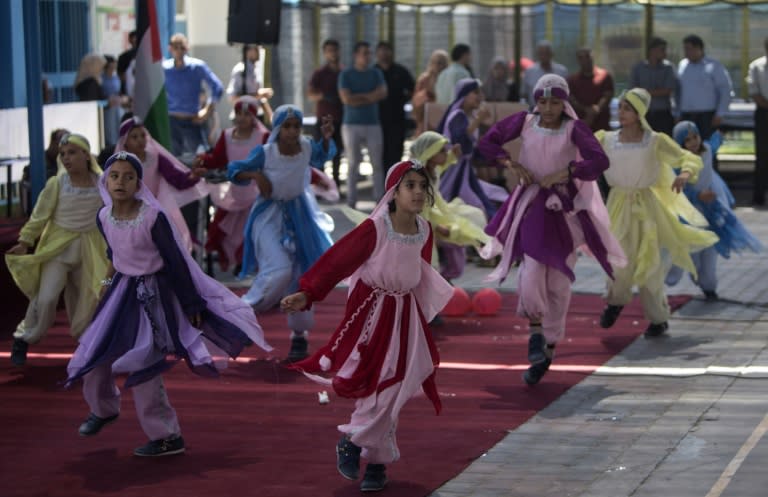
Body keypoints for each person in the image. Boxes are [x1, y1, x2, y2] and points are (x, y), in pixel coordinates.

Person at [65, 151, 271, 457]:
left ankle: (166, 436)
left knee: (145, 362)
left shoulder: (152, 216)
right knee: (95, 352)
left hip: (155, 294)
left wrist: (191, 306)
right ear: (105, 181)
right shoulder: (103, 217)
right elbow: (114, 256)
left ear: (138, 184)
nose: (120, 182)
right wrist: (105, 288)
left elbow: (176, 262)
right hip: (120, 292)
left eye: (129, 176)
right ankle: (104, 408)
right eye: (115, 176)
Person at [281, 159, 453, 493]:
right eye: (410, 186)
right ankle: (356, 444)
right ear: (393, 192)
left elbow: (421, 275)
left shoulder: (424, 230)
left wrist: (422, 322)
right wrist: (308, 291)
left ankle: (375, 462)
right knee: (380, 388)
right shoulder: (376, 228)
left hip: (404, 315)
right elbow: (339, 259)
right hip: (373, 315)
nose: (418, 192)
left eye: (422, 186)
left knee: (395, 386)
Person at [477, 74, 625, 386]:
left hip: (562, 210)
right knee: (531, 269)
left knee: (557, 283)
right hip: (531, 207)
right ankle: (535, 334)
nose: (547, 108)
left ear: (564, 102)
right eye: (542, 101)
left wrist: (567, 171)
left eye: (555, 102)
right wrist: (510, 163)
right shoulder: (525, 122)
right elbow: (487, 142)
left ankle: (549, 347)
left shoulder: (574, 129)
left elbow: (600, 160)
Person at [594, 88, 718, 338]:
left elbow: (688, 158)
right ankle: (616, 301)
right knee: (618, 259)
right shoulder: (605, 139)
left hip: (646, 207)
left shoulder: (654, 140)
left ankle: (658, 318)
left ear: (640, 112)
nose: (622, 112)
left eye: (628, 108)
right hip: (618, 205)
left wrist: (684, 173)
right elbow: (579, 153)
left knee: (650, 265)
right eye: (621, 107)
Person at [228, 105, 336, 362]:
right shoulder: (266, 152)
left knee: (301, 276)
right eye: (286, 126)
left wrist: (327, 137)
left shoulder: (307, 147)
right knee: (279, 270)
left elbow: (321, 156)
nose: (292, 131)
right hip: (268, 216)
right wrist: (256, 174)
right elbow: (234, 170)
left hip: (300, 216)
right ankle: (241, 315)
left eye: (296, 126)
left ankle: (299, 336)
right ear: (277, 128)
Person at [5, 133, 108, 366]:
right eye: (63, 154)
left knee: (90, 297)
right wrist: (25, 241)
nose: (67, 158)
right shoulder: (57, 184)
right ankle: (24, 338)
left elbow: (112, 214)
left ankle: (88, 347)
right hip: (58, 249)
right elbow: (40, 215)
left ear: (86, 154)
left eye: (72, 152)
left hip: (90, 249)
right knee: (47, 298)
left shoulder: (102, 183)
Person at [666, 121, 762, 299]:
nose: (694, 142)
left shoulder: (706, 150)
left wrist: (719, 135)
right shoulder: (678, 163)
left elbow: (713, 144)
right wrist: (697, 196)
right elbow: (678, 188)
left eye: (695, 137)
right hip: (689, 215)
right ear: (680, 144)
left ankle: (709, 285)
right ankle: (693, 274)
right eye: (687, 140)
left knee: (710, 249)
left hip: (711, 211)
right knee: (691, 251)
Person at [193, 96, 270, 272]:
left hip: (256, 194)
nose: (242, 118)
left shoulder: (263, 137)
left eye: (246, 114)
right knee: (223, 227)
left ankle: (246, 262)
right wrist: (202, 160)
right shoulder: (227, 136)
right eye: (239, 114)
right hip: (234, 192)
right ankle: (234, 260)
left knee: (252, 230)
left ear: (253, 116)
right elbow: (218, 160)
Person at [115, 116, 207, 253]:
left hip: (154, 213)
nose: (140, 140)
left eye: (142, 135)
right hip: (129, 215)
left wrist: (193, 176)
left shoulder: (154, 156)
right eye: (134, 137)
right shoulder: (120, 164)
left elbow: (175, 177)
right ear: (125, 143)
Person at [410, 131, 490, 281]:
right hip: (421, 225)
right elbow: (418, 212)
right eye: (441, 150)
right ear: (430, 153)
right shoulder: (419, 179)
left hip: (434, 217)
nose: (445, 153)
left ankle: (443, 281)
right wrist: (437, 227)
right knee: (427, 262)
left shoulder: (430, 170)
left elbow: (440, 167)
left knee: (471, 219)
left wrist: (452, 156)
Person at [436, 78, 507, 219]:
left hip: (465, 169)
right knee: (464, 201)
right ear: (464, 95)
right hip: (454, 170)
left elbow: (473, 148)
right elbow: (460, 143)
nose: (480, 96)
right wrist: (478, 121)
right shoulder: (457, 116)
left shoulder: (469, 116)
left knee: (481, 199)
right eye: (475, 92)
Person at [338, 41, 387, 208]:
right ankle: (352, 200)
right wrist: (369, 97)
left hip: (372, 123)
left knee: (376, 163)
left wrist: (358, 98)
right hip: (351, 124)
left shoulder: (376, 73)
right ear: (356, 55)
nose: (367, 56)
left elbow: (382, 94)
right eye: (364, 53)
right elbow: (347, 99)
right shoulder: (346, 74)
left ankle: (379, 199)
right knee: (353, 163)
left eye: (369, 53)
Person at [163, 33, 224, 159]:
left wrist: (207, 110)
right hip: (172, 120)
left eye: (182, 48)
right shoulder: (165, 69)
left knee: (200, 157)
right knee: (174, 159)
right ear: (170, 48)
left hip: (192, 120)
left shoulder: (197, 67)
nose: (179, 51)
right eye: (176, 47)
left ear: (187, 48)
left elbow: (217, 87)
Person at [676, 34, 733, 144]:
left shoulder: (714, 66)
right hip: (686, 114)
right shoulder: (682, 65)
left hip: (707, 115)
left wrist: (720, 113)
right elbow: (679, 92)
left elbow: (725, 90)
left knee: (707, 147)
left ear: (699, 48)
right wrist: (677, 113)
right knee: (686, 147)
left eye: (689, 49)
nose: (686, 52)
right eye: (685, 49)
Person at [308, 39, 344, 188]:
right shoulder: (320, 73)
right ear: (325, 53)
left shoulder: (344, 72)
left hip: (341, 119)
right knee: (321, 153)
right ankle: (321, 186)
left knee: (337, 154)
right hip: (323, 120)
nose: (333, 54)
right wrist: (323, 96)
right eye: (329, 51)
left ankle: (335, 185)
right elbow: (310, 93)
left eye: (334, 50)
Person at [375, 41, 415, 175]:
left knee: (396, 152)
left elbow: (412, 90)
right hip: (377, 120)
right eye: (381, 51)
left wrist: (403, 98)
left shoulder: (400, 71)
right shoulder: (373, 72)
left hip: (397, 118)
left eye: (387, 51)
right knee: (380, 153)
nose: (384, 54)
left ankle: (395, 181)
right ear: (377, 54)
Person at [629, 37, 678, 136]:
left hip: (663, 113)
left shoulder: (668, 68)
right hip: (643, 114)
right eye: (662, 49)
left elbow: (667, 90)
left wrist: (643, 93)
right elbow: (633, 91)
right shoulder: (638, 68)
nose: (665, 53)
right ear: (652, 50)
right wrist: (654, 92)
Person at [226, 44, 274, 125]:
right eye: (256, 49)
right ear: (248, 51)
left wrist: (270, 116)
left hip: (257, 117)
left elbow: (260, 99)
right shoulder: (240, 71)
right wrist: (259, 94)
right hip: (243, 118)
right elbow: (233, 98)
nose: (259, 51)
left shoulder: (256, 69)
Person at [568, 47, 614, 132]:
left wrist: (596, 109)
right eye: (581, 57)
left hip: (602, 126)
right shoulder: (572, 80)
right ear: (578, 60)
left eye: (587, 56)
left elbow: (607, 95)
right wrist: (586, 110)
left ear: (593, 57)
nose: (585, 60)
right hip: (581, 128)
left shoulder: (605, 76)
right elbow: (571, 99)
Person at [747, 36, 768, 206]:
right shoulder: (757, 66)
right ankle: (758, 195)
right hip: (764, 113)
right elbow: (754, 91)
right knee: (762, 155)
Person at [412, 49, 449, 136]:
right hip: (426, 121)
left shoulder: (448, 79)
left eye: (440, 63)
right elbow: (417, 101)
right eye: (434, 62)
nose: (437, 66)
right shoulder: (424, 79)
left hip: (443, 118)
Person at [521, 40, 568, 106]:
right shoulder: (529, 71)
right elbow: (524, 94)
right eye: (541, 53)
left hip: (557, 112)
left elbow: (566, 94)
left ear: (552, 54)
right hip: (534, 110)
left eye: (546, 53)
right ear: (537, 54)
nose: (544, 56)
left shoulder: (562, 71)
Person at [102, 55, 124, 147]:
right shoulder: (101, 78)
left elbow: (119, 91)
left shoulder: (115, 78)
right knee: (109, 128)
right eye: (111, 67)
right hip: (108, 107)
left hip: (117, 106)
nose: (112, 69)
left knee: (118, 126)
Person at [117, 30, 138, 95]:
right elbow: (121, 75)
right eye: (133, 40)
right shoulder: (124, 57)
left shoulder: (146, 56)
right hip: (128, 92)